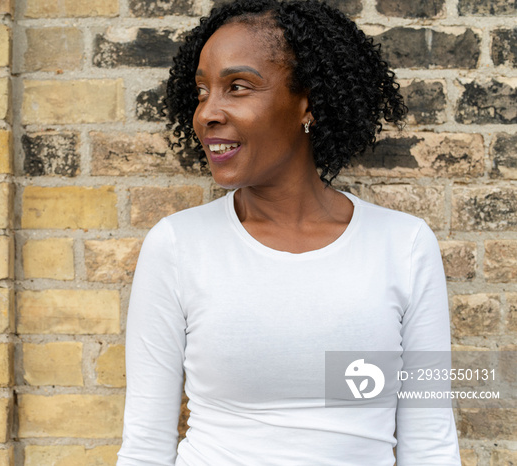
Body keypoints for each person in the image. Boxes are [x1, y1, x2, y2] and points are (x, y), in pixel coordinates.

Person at [117, 0, 461, 464]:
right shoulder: (178, 245)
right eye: (202, 92)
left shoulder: (403, 246)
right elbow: (146, 444)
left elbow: (430, 441)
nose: (207, 114)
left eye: (237, 87)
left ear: (308, 103)